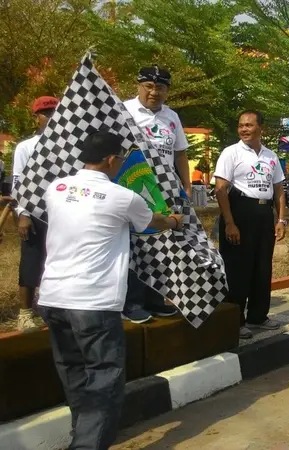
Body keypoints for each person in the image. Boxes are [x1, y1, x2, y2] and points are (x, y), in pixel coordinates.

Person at [37, 130, 183, 449]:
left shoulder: (55, 189)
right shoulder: (122, 197)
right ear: (111, 160)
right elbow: (150, 222)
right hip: (93, 302)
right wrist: (173, 221)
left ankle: (84, 431)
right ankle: (88, 443)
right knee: (104, 380)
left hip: (52, 298)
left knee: (74, 373)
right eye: (120, 159)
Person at [122, 65, 189, 322]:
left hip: (164, 191)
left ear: (167, 91)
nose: (154, 92)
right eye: (148, 86)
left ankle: (154, 299)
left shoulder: (171, 117)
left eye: (160, 87)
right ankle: (132, 303)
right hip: (133, 187)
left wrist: (186, 185)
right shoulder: (124, 110)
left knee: (160, 245)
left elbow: (181, 153)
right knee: (135, 245)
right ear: (139, 86)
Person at [214, 110, 287, 339]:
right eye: (241, 125)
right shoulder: (231, 153)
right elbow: (220, 189)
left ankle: (258, 316)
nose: (244, 129)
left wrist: (281, 219)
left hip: (264, 215)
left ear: (260, 128)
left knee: (262, 267)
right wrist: (229, 223)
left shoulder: (270, 156)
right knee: (238, 269)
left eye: (249, 125)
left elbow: (278, 190)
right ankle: (236, 320)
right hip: (239, 212)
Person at [12, 95, 58, 331]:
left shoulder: (67, 147)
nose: (51, 118)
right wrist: (23, 214)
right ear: (37, 117)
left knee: (58, 262)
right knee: (31, 261)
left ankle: (51, 309)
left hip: (61, 214)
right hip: (33, 213)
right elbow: (18, 185)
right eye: (46, 114)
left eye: (54, 113)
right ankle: (25, 313)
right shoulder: (25, 147)